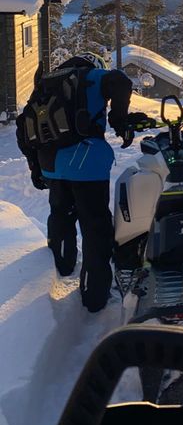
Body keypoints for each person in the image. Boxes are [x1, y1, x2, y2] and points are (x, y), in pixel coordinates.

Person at [16, 52, 134, 313]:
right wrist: (120, 121)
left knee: (61, 216)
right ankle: (94, 296)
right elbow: (121, 81)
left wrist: (35, 167)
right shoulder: (92, 75)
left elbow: (23, 125)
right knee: (95, 228)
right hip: (87, 164)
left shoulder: (46, 83)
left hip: (52, 165)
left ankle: (62, 266)